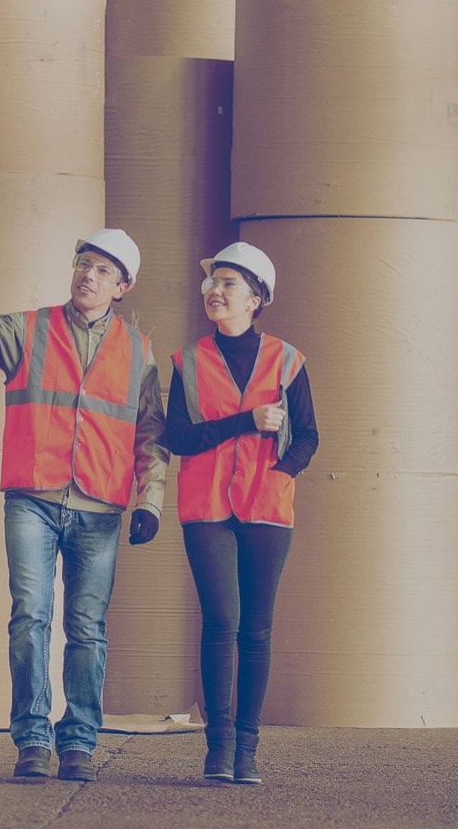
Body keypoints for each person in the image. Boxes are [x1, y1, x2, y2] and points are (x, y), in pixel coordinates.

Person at [0, 216, 168, 783]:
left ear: (123, 287)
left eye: (103, 271)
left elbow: (150, 435)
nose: (88, 276)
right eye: (84, 265)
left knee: (87, 628)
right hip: (32, 499)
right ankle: (34, 739)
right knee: (30, 619)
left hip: (99, 507)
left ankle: (80, 743)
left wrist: (151, 501)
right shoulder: (30, 329)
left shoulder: (139, 350)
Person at [162, 241, 319, 785]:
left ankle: (247, 749)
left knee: (256, 629)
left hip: (268, 508)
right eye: (212, 283)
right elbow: (177, 437)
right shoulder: (187, 362)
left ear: (256, 299)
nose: (215, 292)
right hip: (205, 507)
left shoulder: (288, 360)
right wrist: (245, 421)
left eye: (229, 284)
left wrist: (281, 473)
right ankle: (218, 747)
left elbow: (310, 437)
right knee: (221, 623)